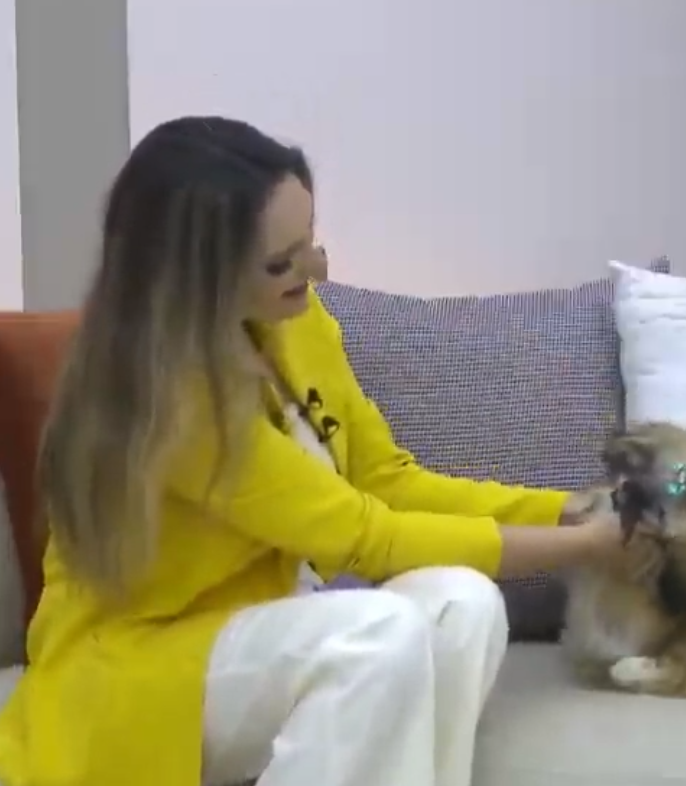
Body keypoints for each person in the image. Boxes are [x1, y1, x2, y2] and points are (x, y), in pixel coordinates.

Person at [0, 116, 624, 786]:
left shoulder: (296, 322)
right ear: (199, 278)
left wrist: (570, 510)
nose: (315, 270)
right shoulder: (171, 400)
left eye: (310, 242)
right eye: (281, 262)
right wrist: (586, 546)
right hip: (136, 671)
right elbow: (365, 537)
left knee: (462, 605)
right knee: (376, 634)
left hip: (258, 633)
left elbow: (387, 480)